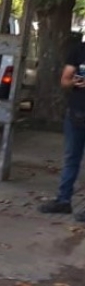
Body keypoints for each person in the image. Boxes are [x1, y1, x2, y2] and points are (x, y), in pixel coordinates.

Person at [38, 36, 85, 219]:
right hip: (76, 114)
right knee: (71, 158)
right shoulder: (78, 51)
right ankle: (63, 200)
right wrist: (74, 81)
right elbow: (65, 80)